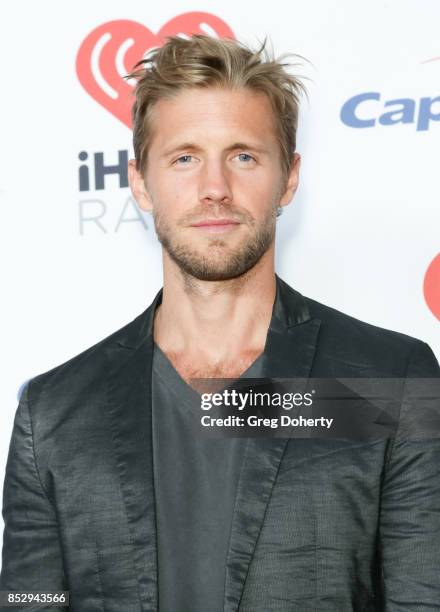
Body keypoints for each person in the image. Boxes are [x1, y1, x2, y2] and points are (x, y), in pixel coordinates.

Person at [1, 34, 439, 612]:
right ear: (139, 183)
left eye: (243, 156)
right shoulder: (55, 412)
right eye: (184, 157)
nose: (214, 189)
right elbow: (30, 600)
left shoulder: (390, 382)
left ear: (287, 178)